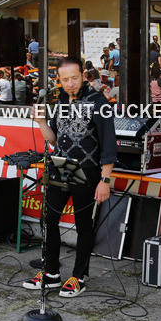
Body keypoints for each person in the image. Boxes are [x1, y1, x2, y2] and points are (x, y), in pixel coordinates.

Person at [26, 57, 116, 298]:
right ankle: (51, 272)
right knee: (49, 219)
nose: (70, 84)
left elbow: (109, 144)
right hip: (62, 166)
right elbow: (54, 139)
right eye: (65, 80)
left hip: (87, 170)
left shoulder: (99, 102)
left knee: (83, 223)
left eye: (74, 78)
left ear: (84, 76)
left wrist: (105, 180)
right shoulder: (61, 101)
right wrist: (42, 122)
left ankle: (78, 276)